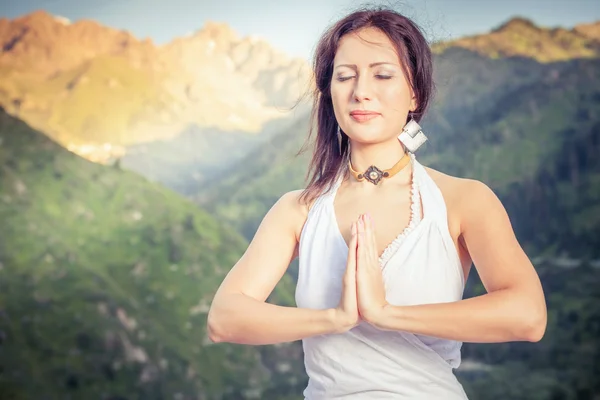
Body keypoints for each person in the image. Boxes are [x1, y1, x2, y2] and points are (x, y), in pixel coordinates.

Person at [207, 6, 547, 399]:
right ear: (329, 92)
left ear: (414, 92)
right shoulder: (297, 210)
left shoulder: (463, 200)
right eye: (345, 76)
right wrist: (335, 318)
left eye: (382, 75)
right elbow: (225, 318)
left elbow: (528, 316)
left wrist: (386, 314)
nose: (360, 91)